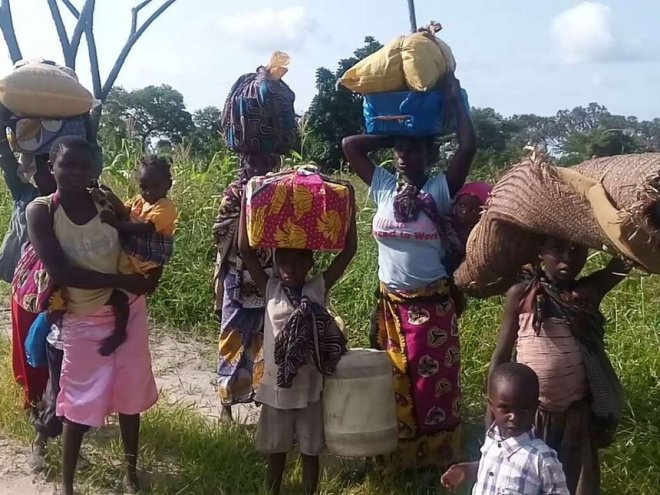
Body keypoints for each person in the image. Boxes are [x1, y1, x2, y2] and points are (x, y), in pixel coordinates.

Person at [342, 72, 476, 468]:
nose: (403, 156)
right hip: (390, 307)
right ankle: (394, 460)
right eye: (400, 150)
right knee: (391, 383)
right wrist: (396, 131)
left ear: (428, 155)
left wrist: (456, 101)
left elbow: (468, 146)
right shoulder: (384, 187)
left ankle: (435, 462)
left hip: (431, 308)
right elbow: (351, 146)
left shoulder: (439, 190)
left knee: (431, 386)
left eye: (413, 150)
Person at [26, 136, 158, 495]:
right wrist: (122, 280)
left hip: (128, 308)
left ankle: (130, 474)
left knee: (131, 393)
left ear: (94, 169)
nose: (76, 172)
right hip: (83, 313)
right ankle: (68, 485)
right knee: (78, 400)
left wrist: (142, 277)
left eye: (84, 165)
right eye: (67, 164)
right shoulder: (41, 211)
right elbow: (61, 271)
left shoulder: (103, 199)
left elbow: (138, 233)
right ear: (51, 167)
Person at [488, 237, 631, 494]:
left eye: (576, 250)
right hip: (530, 414)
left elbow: (622, 264)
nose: (568, 258)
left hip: (574, 417)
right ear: (539, 252)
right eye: (557, 249)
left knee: (574, 482)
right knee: (528, 479)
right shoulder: (521, 295)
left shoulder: (586, 293)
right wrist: (491, 414)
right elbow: (501, 357)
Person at [238, 187, 357, 495]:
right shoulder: (271, 289)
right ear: (277, 264)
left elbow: (348, 253)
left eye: (297, 263)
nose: (290, 269)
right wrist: (247, 204)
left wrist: (350, 208)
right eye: (285, 263)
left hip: (310, 386)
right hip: (277, 386)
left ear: (309, 266)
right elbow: (246, 251)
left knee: (310, 451)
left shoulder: (316, 289)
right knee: (275, 452)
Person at [212, 153, 280, 423]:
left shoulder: (280, 192)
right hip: (238, 275)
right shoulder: (234, 193)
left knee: (265, 340)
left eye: (265, 163)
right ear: (244, 164)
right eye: (253, 162)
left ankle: (262, 401)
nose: (258, 168)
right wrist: (249, 206)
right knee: (232, 338)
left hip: (268, 275)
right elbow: (220, 230)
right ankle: (226, 405)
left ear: (274, 165)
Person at [441, 362, 569, 494]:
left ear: (536, 406)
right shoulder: (492, 441)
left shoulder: (542, 458)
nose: (514, 417)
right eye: (505, 409)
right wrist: (464, 471)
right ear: (492, 406)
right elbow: (493, 468)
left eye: (523, 409)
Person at [97, 155, 177, 355]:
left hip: (149, 263)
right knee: (115, 293)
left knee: (121, 297)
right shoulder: (139, 201)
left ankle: (120, 333)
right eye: (143, 186)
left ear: (168, 185)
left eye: (155, 186)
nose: (148, 192)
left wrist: (115, 223)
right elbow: (123, 210)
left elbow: (144, 230)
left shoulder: (165, 207)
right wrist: (108, 195)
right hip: (131, 257)